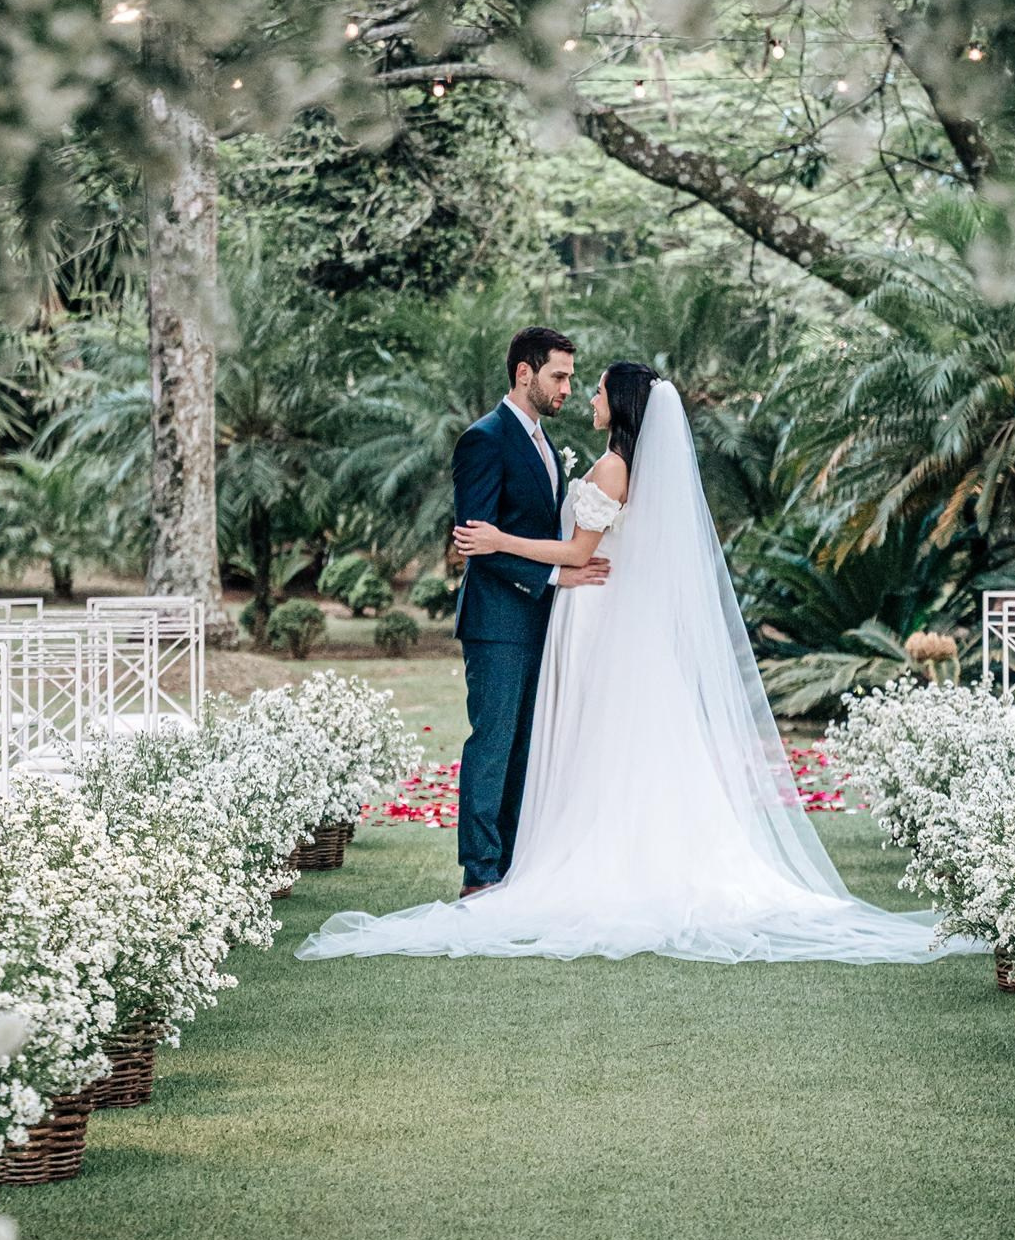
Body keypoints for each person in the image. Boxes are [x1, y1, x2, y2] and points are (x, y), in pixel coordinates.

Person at [297, 365, 972, 965]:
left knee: (603, 736)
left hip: (594, 612)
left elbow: (574, 551)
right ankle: (532, 855)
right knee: (609, 739)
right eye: (571, 382)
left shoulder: (615, 467)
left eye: (593, 389)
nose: (583, 394)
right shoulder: (616, 462)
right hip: (596, 610)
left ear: (619, 405)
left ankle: (581, 858)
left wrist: (497, 538)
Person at [448, 326, 609, 894]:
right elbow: (475, 540)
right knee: (492, 744)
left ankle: (512, 865)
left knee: (526, 746)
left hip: (543, 620)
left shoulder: (543, 444)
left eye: (570, 377)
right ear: (525, 373)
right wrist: (555, 574)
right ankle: (480, 874)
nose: (568, 387)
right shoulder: (485, 439)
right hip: (496, 621)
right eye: (558, 376)